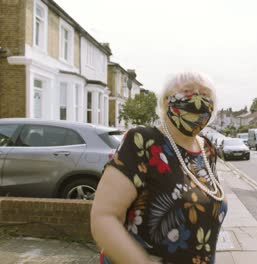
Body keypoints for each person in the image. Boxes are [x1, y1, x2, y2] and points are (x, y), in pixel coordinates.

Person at [91, 71, 228, 264]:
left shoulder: (207, 150)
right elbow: (104, 218)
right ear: (165, 102)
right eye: (187, 91)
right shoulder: (142, 141)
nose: (197, 99)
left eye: (205, 95)